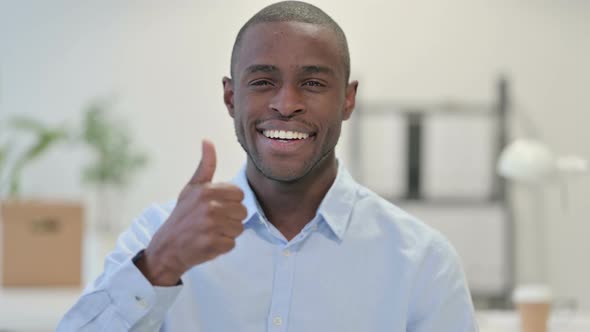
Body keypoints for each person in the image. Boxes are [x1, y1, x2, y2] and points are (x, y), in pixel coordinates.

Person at [58, 1, 478, 331]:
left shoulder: (422, 261)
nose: (286, 103)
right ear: (230, 98)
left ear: (347, 100)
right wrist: (159, 267)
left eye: (313, 83)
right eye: (262, 82)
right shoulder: (157, 235)